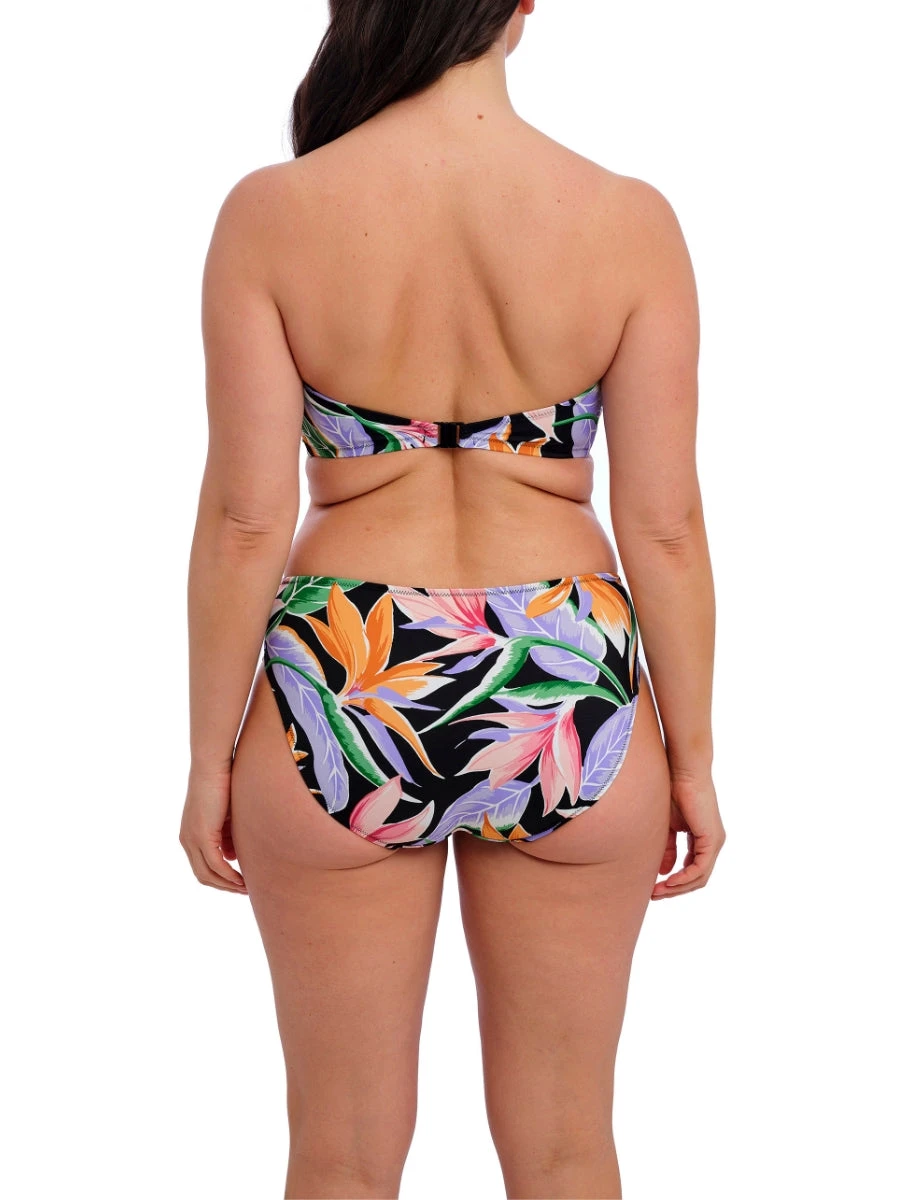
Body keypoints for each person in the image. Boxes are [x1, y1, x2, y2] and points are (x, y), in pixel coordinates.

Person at [179, 1, 725, 1196]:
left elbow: (244, 522)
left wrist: (210, 758)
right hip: (565, 681)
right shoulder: (626, 219)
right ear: (521, 4)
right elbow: (667, 531)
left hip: (347, 674)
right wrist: (691, 760)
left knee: (339, 1155)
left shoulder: (274, 213)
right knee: (568, 1147)